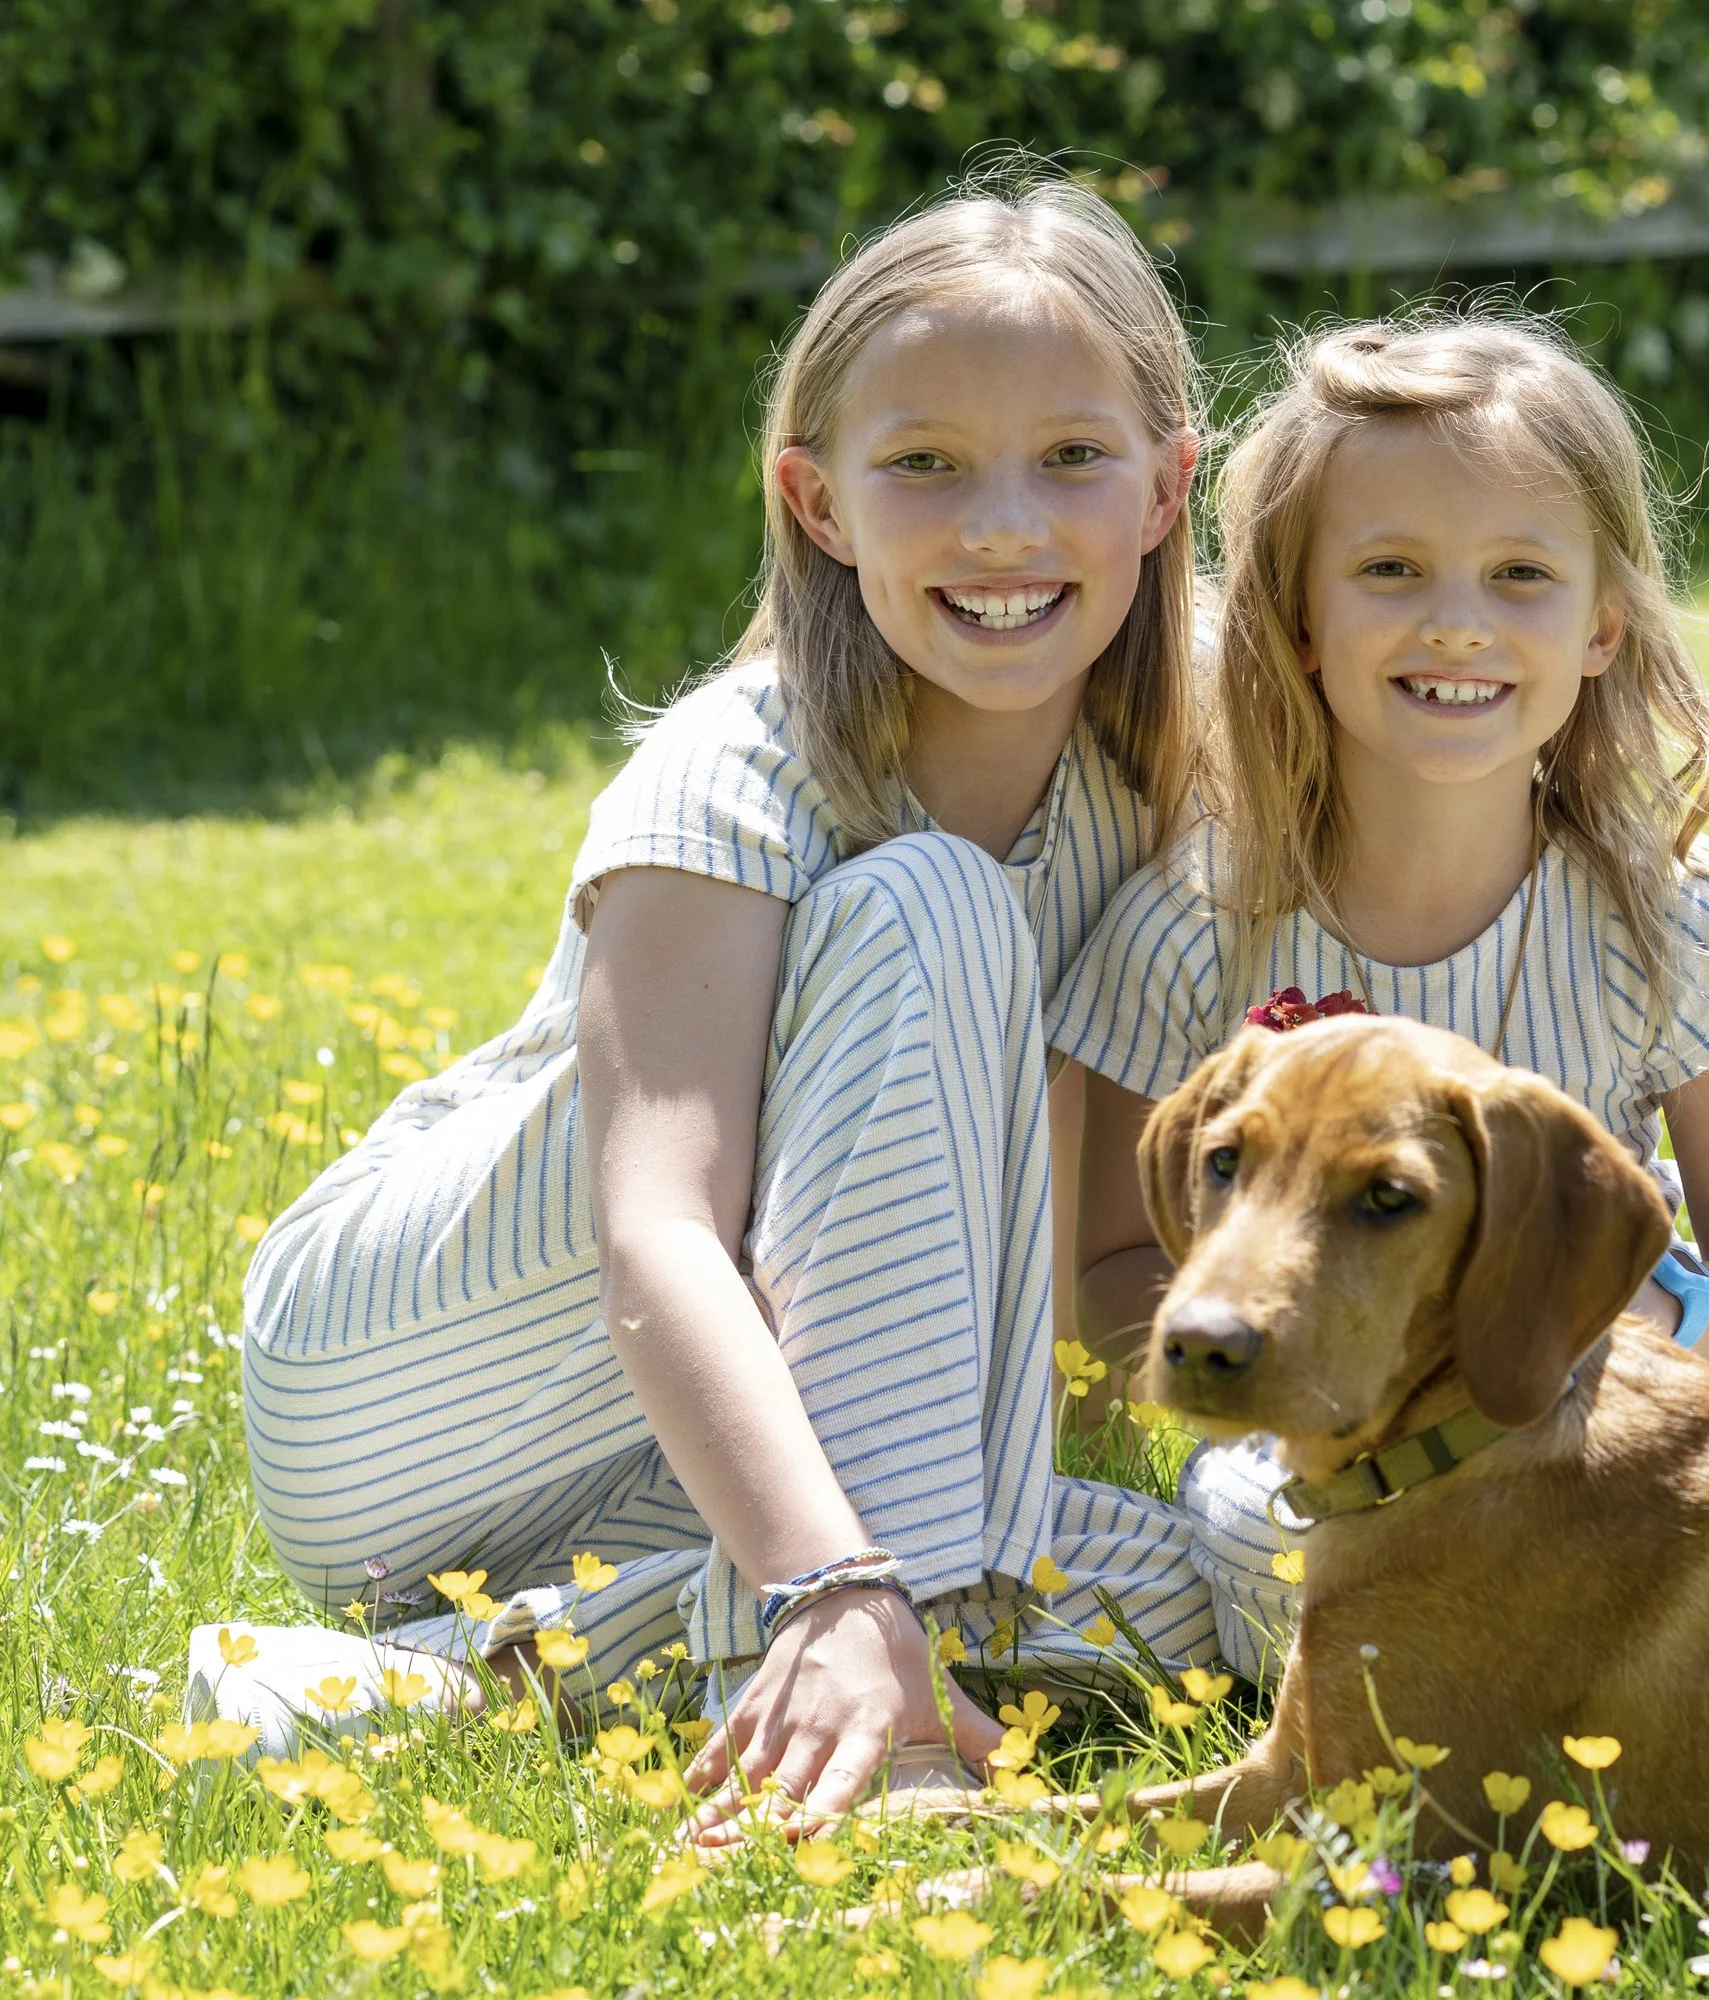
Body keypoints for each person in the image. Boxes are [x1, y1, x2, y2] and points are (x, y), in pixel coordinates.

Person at [197, 175, 1223, 1829]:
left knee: (1216, 1592)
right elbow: (657, 1230)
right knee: (930, 903)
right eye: (926, 466)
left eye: (1074, 460)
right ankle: (857, 1659)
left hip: (696, 1432)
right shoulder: (745, 765)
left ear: (1171, 488)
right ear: (818, 504)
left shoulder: (1155, 783)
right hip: (410, 1386)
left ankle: (403, 1692)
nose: (1006, 527)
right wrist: (832, 1579)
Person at [1048, 315, 1709, 1681]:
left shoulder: (1662, 918)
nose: (1457, 622)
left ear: (1603, 623)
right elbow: (1112, 1274)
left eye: (1520, 574)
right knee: (1238, 1541)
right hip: (1300, 1464)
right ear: (1296, 620)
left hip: (1596, 1449)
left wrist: (1609, 1317)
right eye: (1390, 569)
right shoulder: (1195, 927)